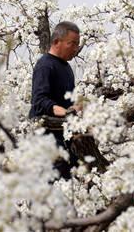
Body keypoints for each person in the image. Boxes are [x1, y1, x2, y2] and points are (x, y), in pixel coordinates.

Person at [29, 21, 82, 180]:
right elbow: (39, 100)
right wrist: (65, 112)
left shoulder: (67, 68)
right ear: (56, 42)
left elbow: (68, 101)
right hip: (45, 136)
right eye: (72, 44)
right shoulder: (45, 65)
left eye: (77, 44)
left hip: (64, 134)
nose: (75, 49)